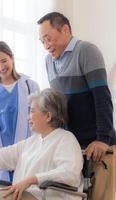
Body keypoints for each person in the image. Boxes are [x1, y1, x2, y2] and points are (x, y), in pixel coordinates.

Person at [37, 12, 116, 200]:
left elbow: (102, 97)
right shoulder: (48, 61)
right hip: (71, 148)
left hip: (99, 147)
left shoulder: (87, 51)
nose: (46, 45)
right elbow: (57, 107)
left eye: (48, 38)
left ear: (65, 30)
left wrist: (103, 139)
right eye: (42, 41)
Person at [0, 41, 40, 182]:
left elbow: (39, 120)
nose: (1, 67)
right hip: (1, 157)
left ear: (12, 58)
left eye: (4, 61)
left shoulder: (30, 86)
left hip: (27, 153)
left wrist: (29, 150)